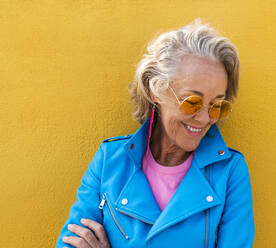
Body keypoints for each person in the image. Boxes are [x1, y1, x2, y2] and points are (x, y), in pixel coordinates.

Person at [56, 20, 255, 248]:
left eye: (217, 105)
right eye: (192, 102)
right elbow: (72, 242)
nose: (204, 118)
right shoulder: (110, 160)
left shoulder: (230, 172)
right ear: (156, 90)